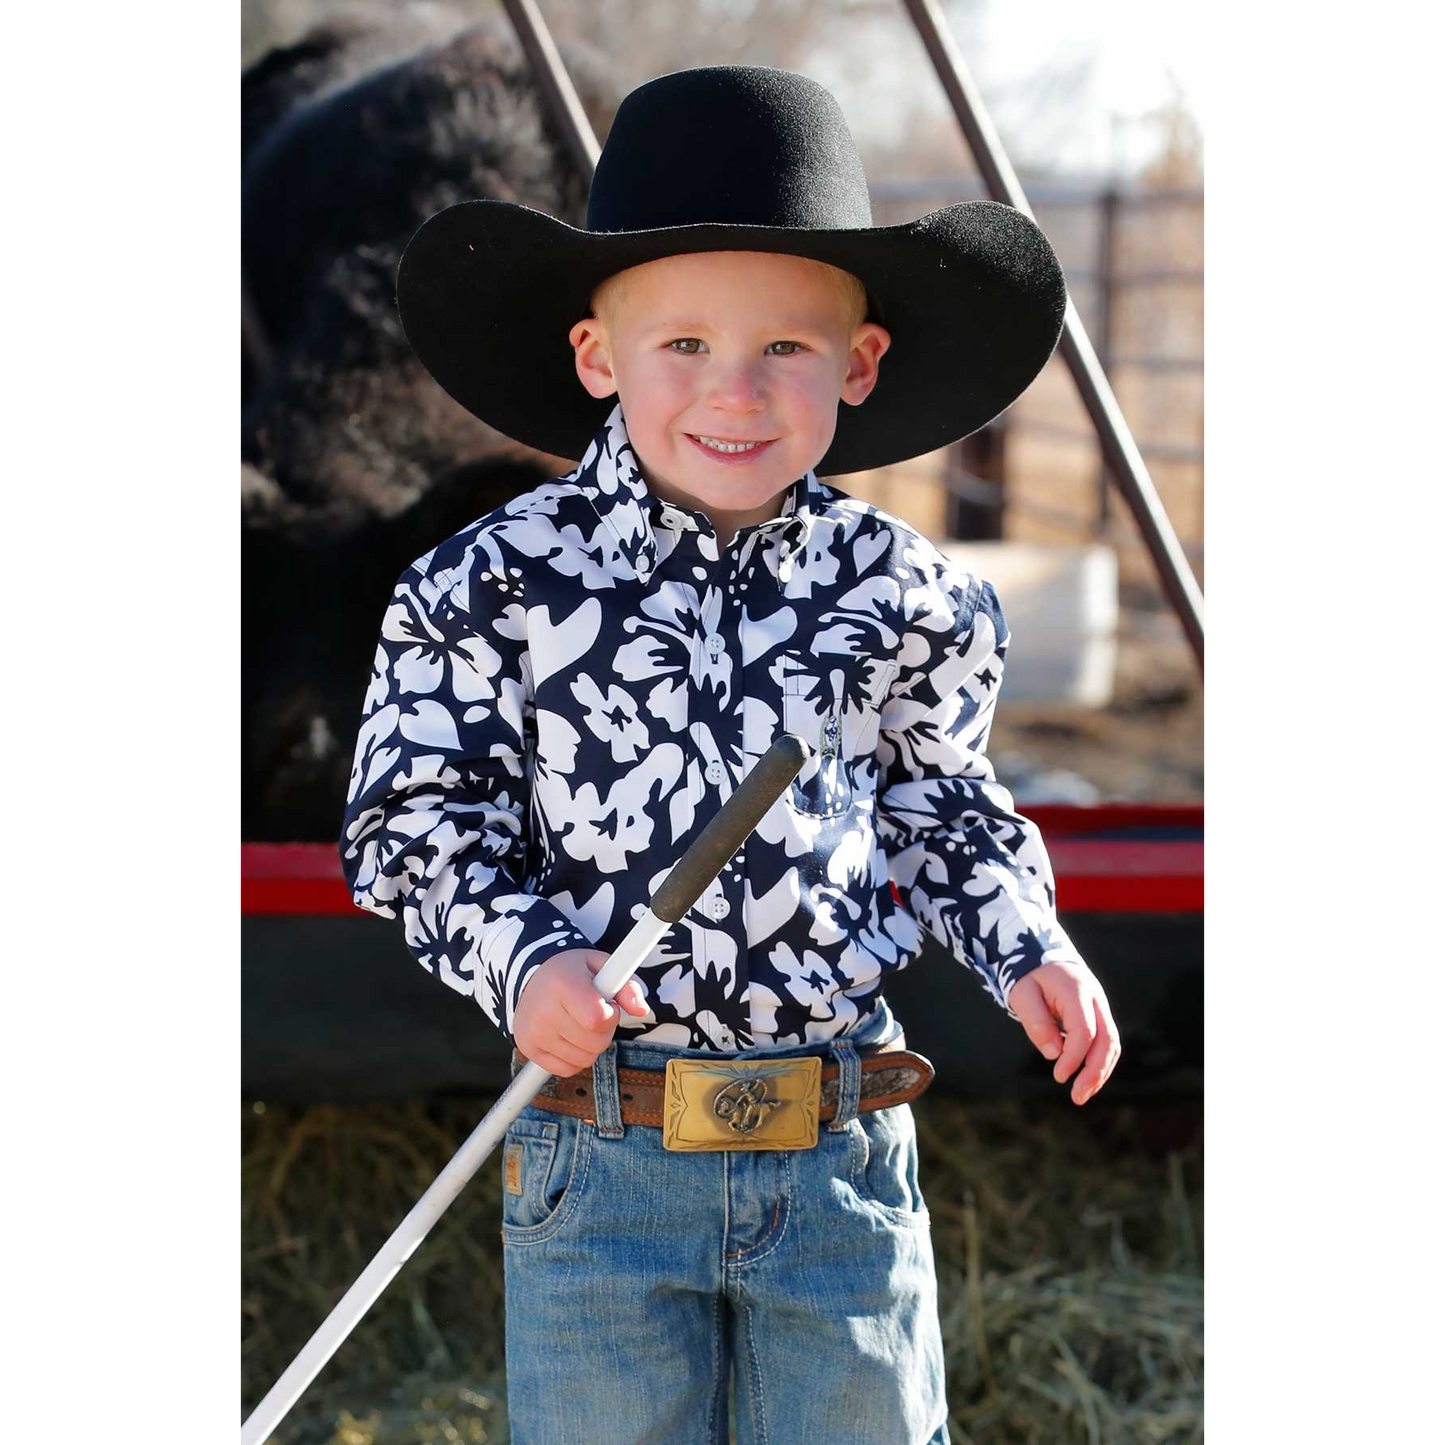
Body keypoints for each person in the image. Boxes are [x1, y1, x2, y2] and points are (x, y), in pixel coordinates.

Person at [340, 64, 1121, 1445]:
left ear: (861, 367)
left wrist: (1026, 944)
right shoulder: (488, 589)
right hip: (601, 1155)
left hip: (837, 1151)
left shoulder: (904, 595)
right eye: (683, 345)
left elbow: (941, 797)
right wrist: (526, 961)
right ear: (597, 358)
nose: (736, 394)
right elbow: (412, 822)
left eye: (786, 350)